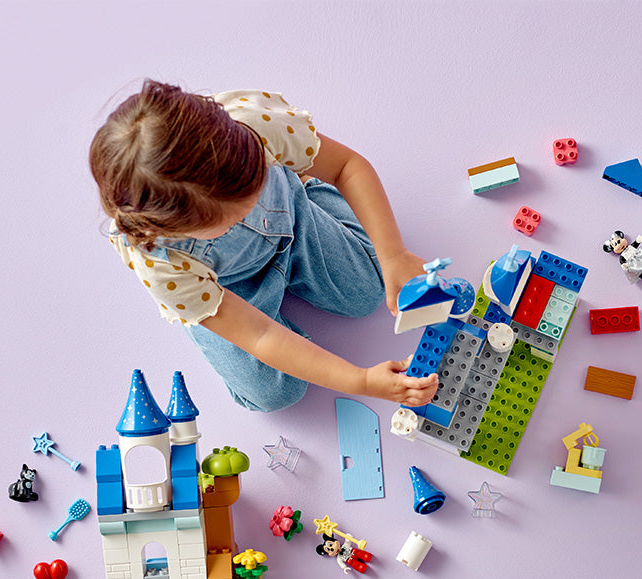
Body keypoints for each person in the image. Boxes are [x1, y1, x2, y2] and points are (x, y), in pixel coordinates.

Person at [90, 80, 440, 412]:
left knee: (369, 291)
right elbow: (259, 335)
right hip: (227, 290)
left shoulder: (254, 125)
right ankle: (221, 320)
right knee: (275, 393)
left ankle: (308, 188)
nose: (250, 209)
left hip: (293, 221)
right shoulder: (160, 263)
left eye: (256, 183)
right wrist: (359, 380)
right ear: (169, 229)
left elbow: (346, 166)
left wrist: (393, 254)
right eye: (230, 217)